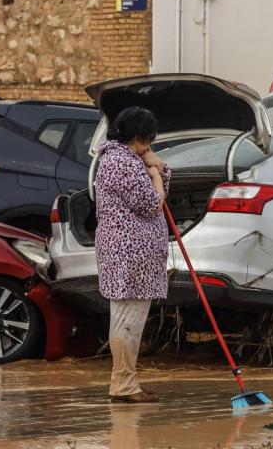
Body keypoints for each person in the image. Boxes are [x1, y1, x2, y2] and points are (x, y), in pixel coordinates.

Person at [94, 106, 170, 403]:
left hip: (134, 254)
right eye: (148, 139)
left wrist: (158, 167)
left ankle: (124, 382)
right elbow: (152, 203)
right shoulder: (120, 163)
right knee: (127, 318)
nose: (150, 144)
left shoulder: (128, 159)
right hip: (128, 254)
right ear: (137, 136)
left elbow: (159, 193)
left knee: (131, 317)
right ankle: (124, 384)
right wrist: (156, 177)